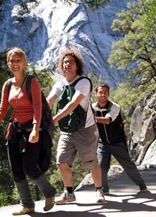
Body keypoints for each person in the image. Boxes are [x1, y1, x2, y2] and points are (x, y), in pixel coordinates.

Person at [0, 47, 56, 215]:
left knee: (29, 167)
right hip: (15, 131)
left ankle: (49, 192)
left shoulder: (32, 82)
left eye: (18, 60)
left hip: (31, 129)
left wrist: (36, 129)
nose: (14, 64)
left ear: (24, 62)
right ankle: (27, 204)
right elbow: (2, 110)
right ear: (8, 63)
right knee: (16, 168)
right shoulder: (8, 85)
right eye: (11, 61)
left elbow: (37, 107)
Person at [47, 48, 105, 204]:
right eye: (65, 62)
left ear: (77, 66)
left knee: (91, 162)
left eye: (71, 62)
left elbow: (73, 104)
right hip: (67, 131)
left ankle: (100, 191)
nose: (67, 65)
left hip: (85, 130)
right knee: (61, 161)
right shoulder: (60, 84)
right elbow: (49, 101)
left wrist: (55, 119)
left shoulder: (84, 82)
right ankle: (69, 193)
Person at [93, 83, 149, 195]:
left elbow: (107, 120)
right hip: (103, 143)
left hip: (117, 142)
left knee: (128, 165)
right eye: (100, 92)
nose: (102, 95)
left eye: (105, 92)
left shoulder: (115, 107)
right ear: (96, 94)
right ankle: (104, 188)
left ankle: (141, 185)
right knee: (100, 165)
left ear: (108, 94)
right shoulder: (93, 107)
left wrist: (92, 118)